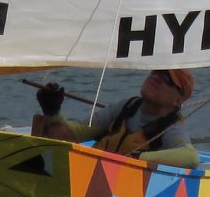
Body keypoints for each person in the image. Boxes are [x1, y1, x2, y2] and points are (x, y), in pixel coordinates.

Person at [32, 69, 201, 168]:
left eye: (167, 79)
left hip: (121, 194)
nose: (156, 77)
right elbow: (72, 133)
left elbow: (191, 157)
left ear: (178, 100)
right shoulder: (126, 107)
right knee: (52, 130)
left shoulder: (172, 127)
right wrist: (53, 111)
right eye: (155, 72)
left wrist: (136, 159)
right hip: (90, 177)